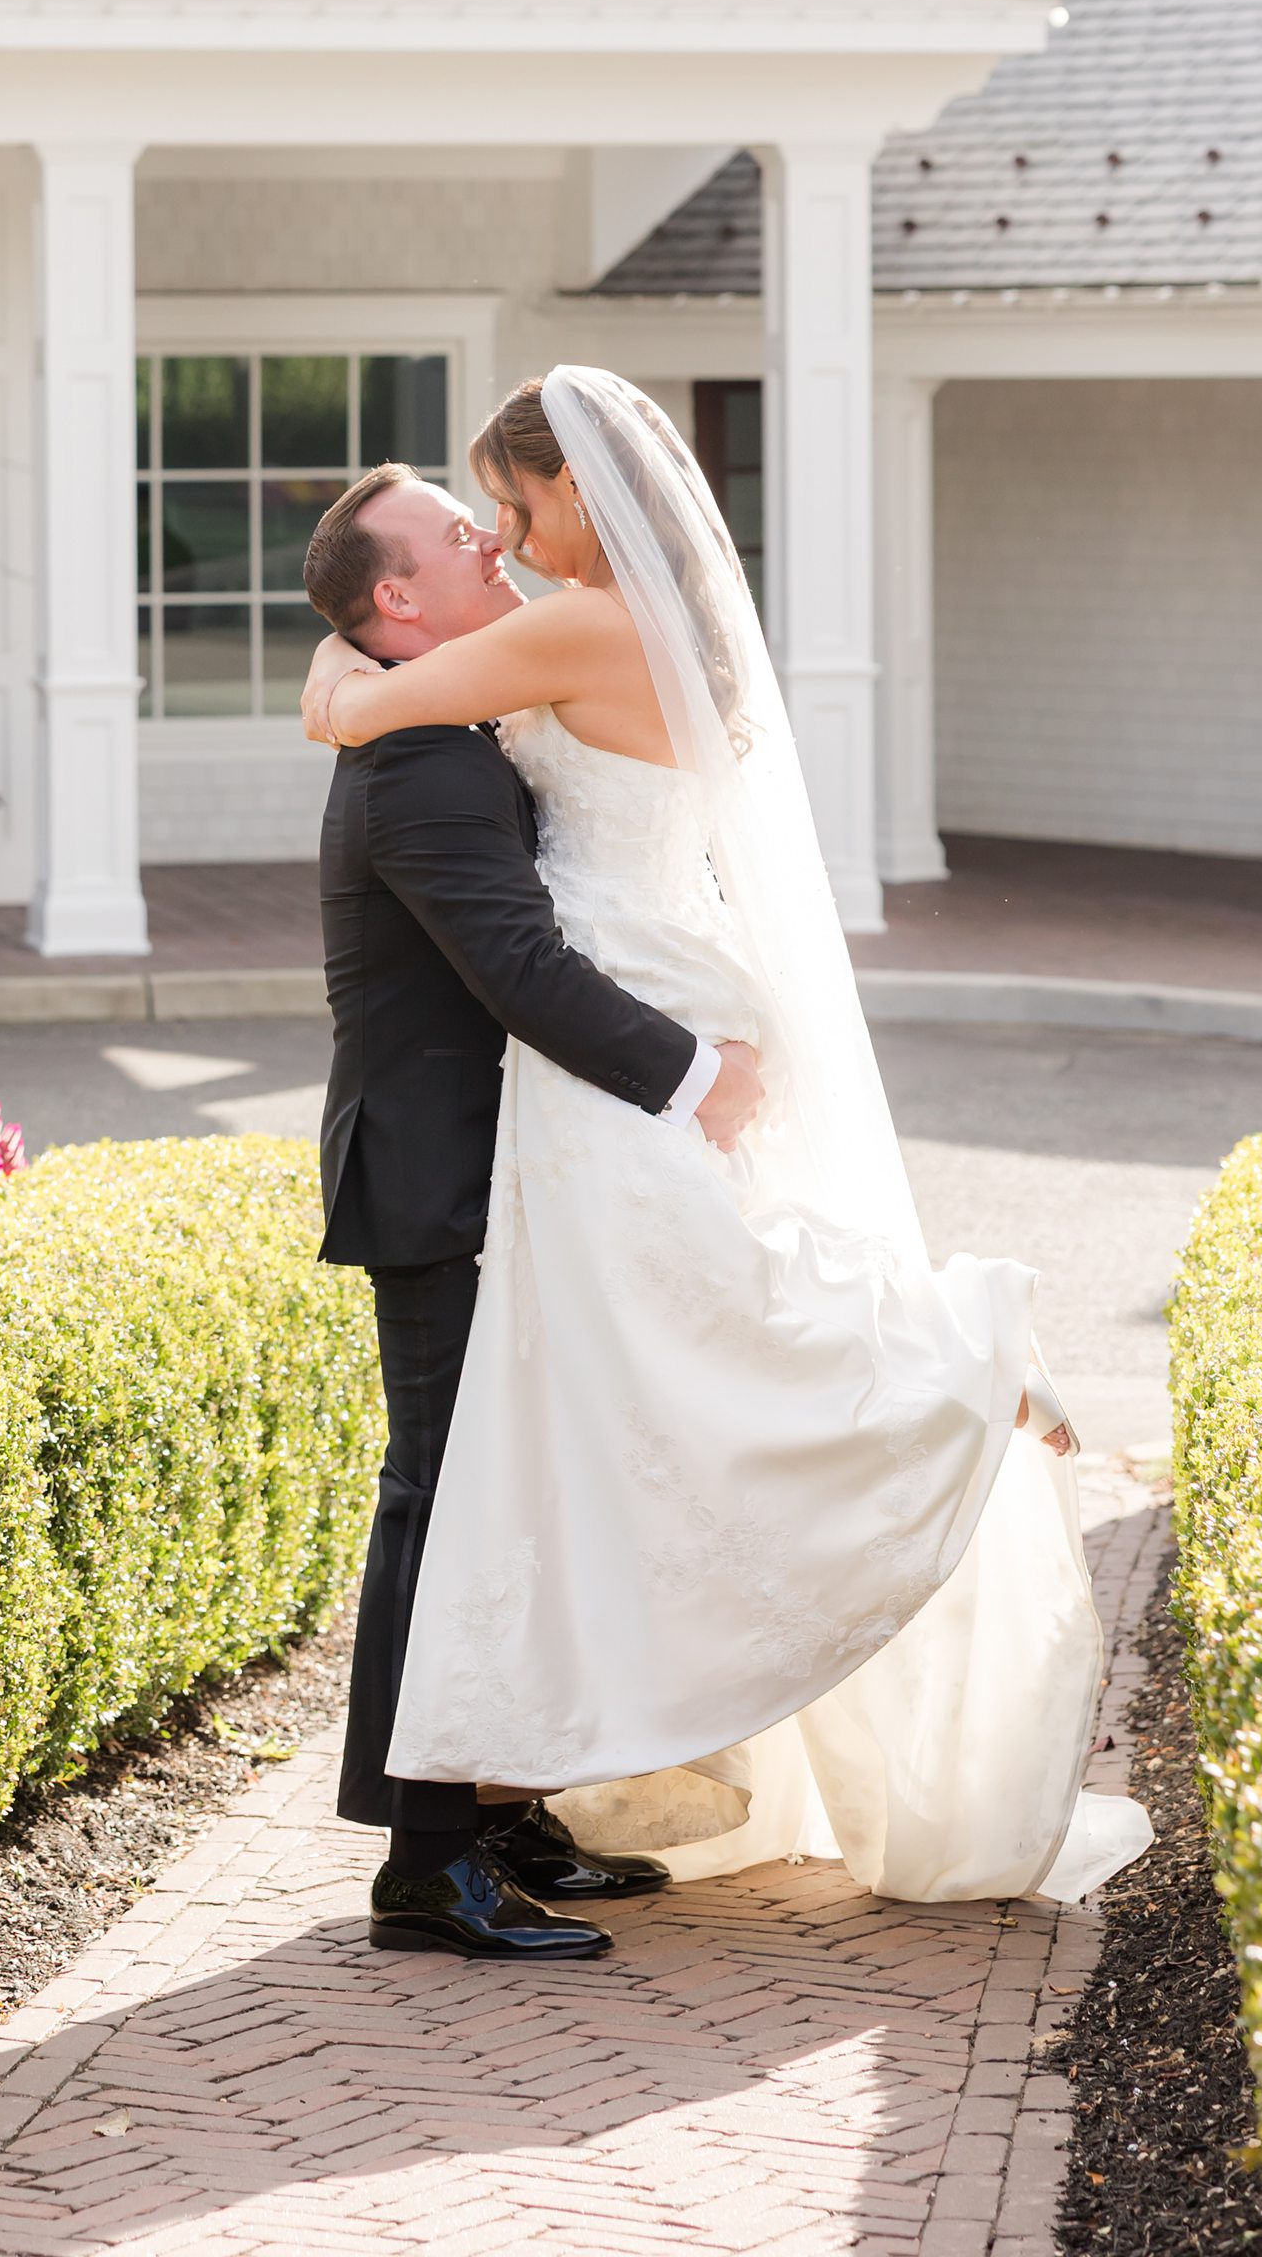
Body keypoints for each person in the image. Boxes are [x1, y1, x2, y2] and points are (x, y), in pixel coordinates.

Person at [300, 367, 1152, 1909]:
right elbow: (391, 688)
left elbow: (361, 697)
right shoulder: (618, 625)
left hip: (633, 1026)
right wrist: (360, 651)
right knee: (660, 1352)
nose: (501, 533)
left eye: (515, 502)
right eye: (475, 518)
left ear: (585, 496)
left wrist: (345, 673)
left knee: (671, 1353)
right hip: (645, 1002)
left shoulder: (555, 630)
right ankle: (475, 1812)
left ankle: (949, 1359)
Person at [301, 460, 767, 1960]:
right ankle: (428, 1862)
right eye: (455, 534)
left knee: (505, 1485)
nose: (488, 541)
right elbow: (518, 969)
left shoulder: (436, 701)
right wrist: (690, 1071)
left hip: (497, 1164)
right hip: (437, 1175)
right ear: (396, 597)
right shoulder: (423, 757)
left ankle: (496, 1809)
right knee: (440, 1496)